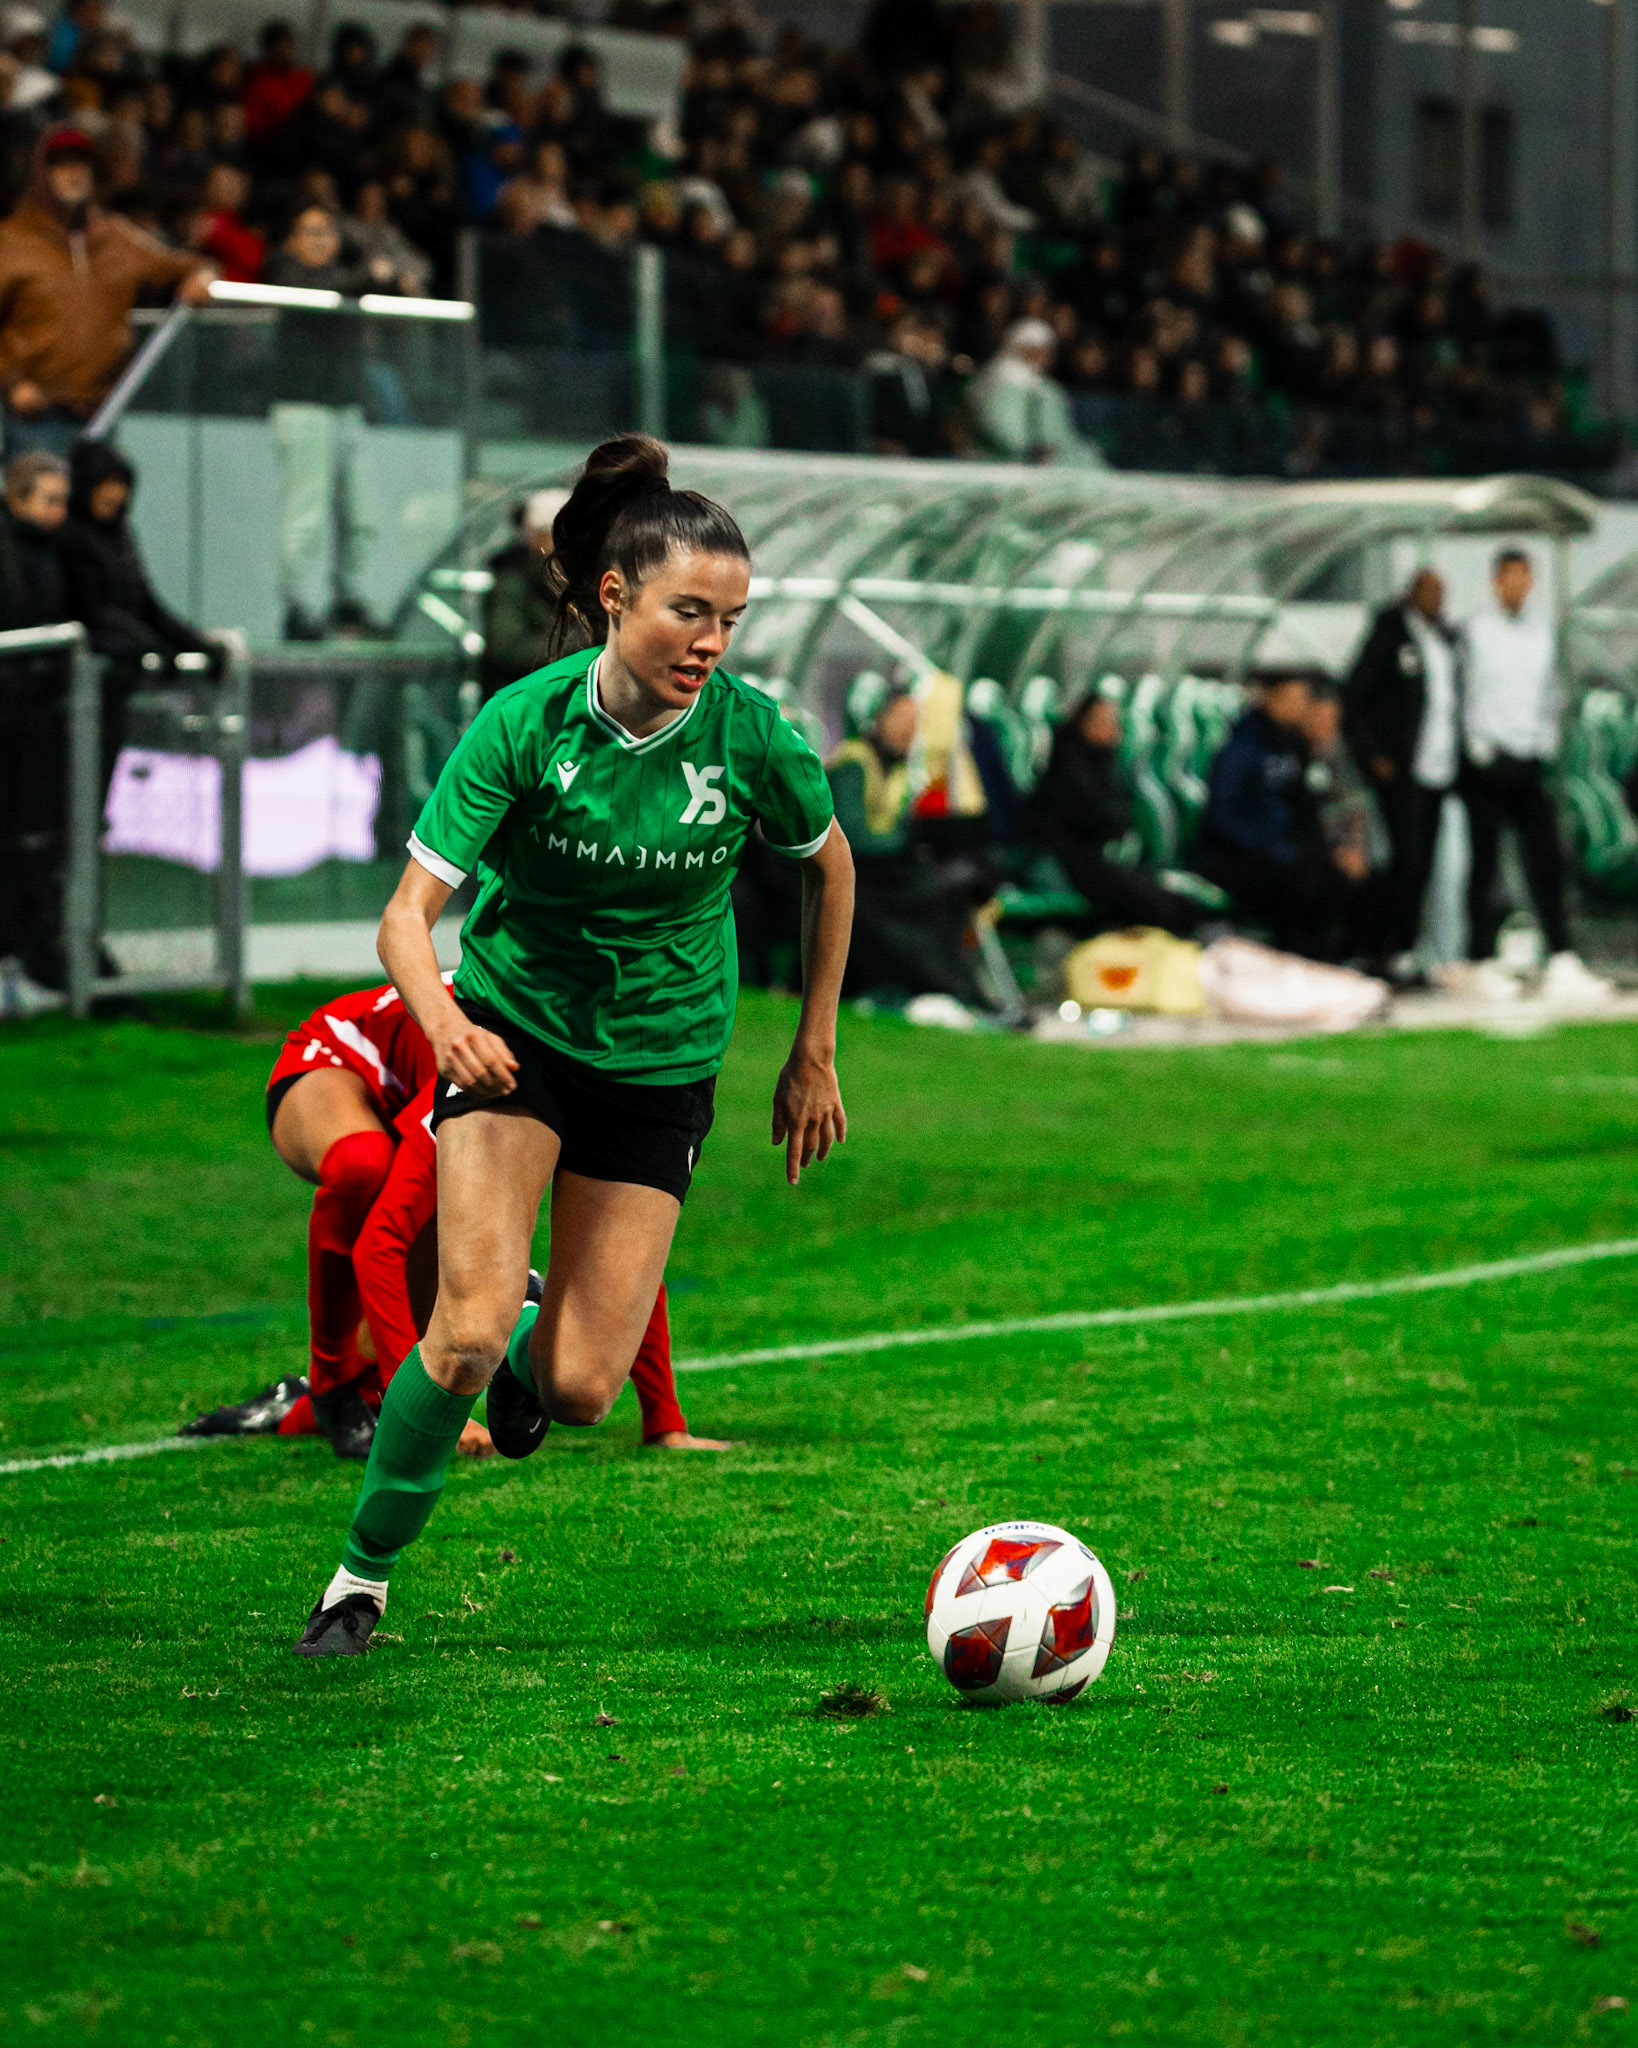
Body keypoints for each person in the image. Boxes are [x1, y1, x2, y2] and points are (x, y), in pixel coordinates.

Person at [294, 433, 853, 1657]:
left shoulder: (751, 735)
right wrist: (444, 1022)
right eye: (687, 611)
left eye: (732, 617)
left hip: (662, 1059)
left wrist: (811, 1046)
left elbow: (827, 864)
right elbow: (407, 918)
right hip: (515, 1032)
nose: (711, 641)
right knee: (469, 1322)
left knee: (587, 1385)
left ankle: (529, 1353)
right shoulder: (524, 725)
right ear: (615, 596)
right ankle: (361, 1578)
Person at [185, 1035, 723, 1455]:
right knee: (362, 1168)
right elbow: (379, 1245)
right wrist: (426, 1413)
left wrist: (664, 1422)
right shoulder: (493, 1069)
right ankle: (330, 1389)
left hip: (491, 1075)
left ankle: (306, 1399)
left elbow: (616, 1253)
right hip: (338, 1060)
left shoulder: (600, 1069)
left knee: (587, 1234)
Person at [0, 126, 215, 458]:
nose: (74, 174)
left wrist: (203, 274)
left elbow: (181, 264)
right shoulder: (13, 241)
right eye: (62, 165)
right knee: (40, 508)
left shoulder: (115, 236)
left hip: (102, 413)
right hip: (35, 416)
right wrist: (11, 383)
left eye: (82, 164)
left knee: (93, 508)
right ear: (43, 174)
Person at [1460, 550, 1610, 1001]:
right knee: (1483, 865)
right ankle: (1481, 959)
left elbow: (1551, 693)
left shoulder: (1542, 632)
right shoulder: (1475, 632)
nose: (1518, 585)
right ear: (1495, 581)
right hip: (1487, 760)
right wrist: (1478, 747)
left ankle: (1560, 957)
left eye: (1526, 576)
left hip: (1528, 760)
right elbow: (1464, 691)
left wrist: (1542, 742)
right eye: (1511, 576)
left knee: (1546, 859)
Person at [61, 438, 220, 801]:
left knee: (101, 779)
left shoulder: (119, 535)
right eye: (106, 484)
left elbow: (145, 604)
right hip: (82, 689)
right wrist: (155, 650)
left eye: (120, 485)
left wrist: (197, 646)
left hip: (115, 684)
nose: (114, 494)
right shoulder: (72, 536)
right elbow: (94, 612)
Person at [827, 671, 994, 1007]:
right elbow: (851, 837)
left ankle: (961, 991)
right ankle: (952, 990)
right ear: (878, 719)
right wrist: (911, 838)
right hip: (858, 879)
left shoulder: (903, 769)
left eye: (914, 722)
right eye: (900, 719)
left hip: (887, 874)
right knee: (926, 906)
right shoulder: (853, 763)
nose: (908, 730)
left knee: (957, 886)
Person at [1193, 671, 1358, 963]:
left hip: (1285, 853)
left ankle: (1329, 964)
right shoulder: (1241, 748)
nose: (1296, 707)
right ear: (1267, 698)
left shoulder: (1294, 747)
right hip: (1237, 857)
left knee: (1334, 877)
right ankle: (1295, 962)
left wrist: (1327, 851)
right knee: (1297, 883)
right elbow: (1220, 817)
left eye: (1301, 700)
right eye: (1289, 699)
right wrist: (1270, 847)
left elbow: (1308, 809)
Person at [1343, 569, 1459, 977]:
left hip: (1438, 770)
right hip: (1401, 772)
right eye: (1430, 591)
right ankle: (1383, 948)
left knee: (1423, 863)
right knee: (1404, 860)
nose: (1438, 599)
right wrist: (1373, 754)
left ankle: (1409, 949)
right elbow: (1354, 696)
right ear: (1411, 594)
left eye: (1442, 592)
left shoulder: (1444, 638)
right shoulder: (1389, 637)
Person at [1027, 691, 1203, 937]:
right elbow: (1097, 821)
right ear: (1081, 723)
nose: (1110, 729)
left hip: (1091, 861)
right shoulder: (1069, 767)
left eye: (1113, 722)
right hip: (1064, 864)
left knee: (1165, 899)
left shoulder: (1106, 766)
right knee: (1156, 904)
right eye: (1101, 721)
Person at [0, 445, 71, 1001]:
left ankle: (25, 965)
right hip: (12, 718)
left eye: (61, 501)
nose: (56, 512)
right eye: (46, 500)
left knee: (34, 845)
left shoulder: (61, 554)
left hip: (39, 719)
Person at [968, 319, 1105, 468]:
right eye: (1037, 348)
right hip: (1005, 462)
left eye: (1047, 349)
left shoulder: (1049, 389)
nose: (1044, 355)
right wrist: (1030, 450)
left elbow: (1062, 436)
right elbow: (1000, 431)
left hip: (1052, 462)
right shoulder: (998, 381)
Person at [480, 490, 560, 699]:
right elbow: (508, 648)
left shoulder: (577, 581)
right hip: (524, 704)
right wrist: (576, 644)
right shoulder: (514, 580)